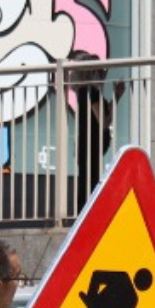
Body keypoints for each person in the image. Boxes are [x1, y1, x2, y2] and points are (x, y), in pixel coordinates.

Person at [68, 50, 124, 216]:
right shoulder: (91, 93)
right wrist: (116, 96)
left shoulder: (84, 93)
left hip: (87, 144)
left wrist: (116, 96)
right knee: (90, 183)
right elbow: (105, 121)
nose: (103, 74)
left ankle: (84, 215)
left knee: (86, 182)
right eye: (101, 71)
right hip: (91, 144)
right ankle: (86, 217)